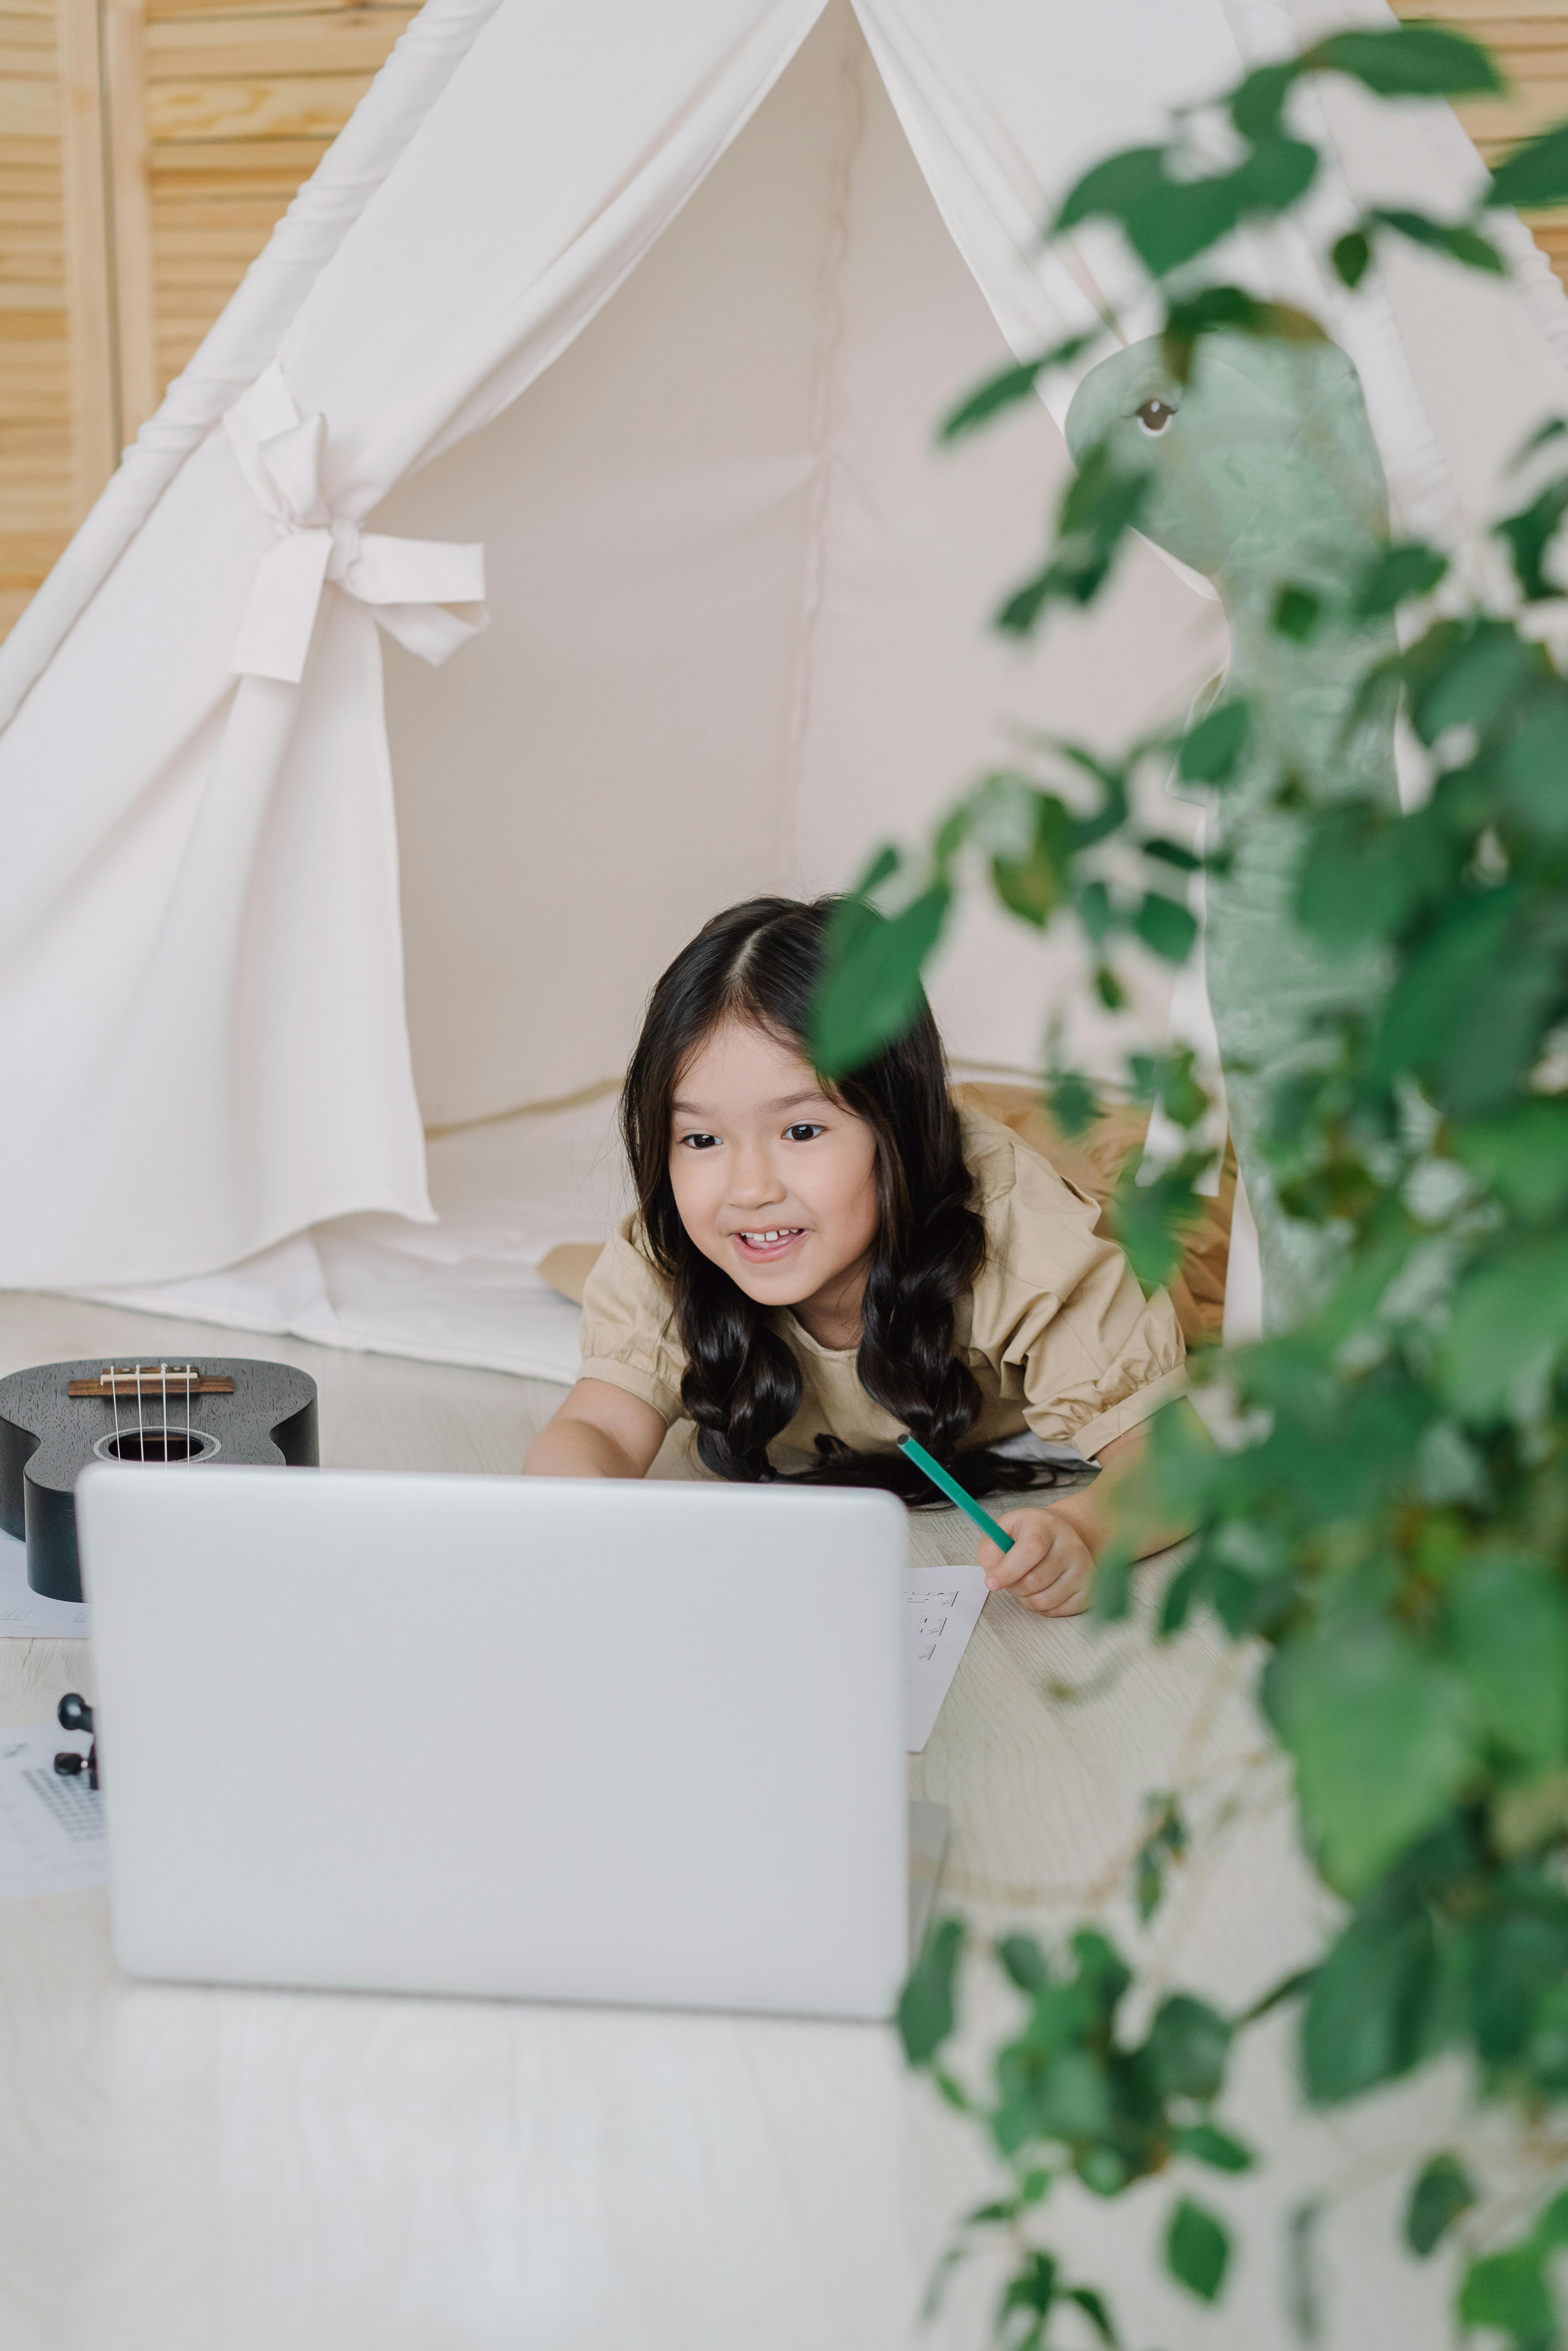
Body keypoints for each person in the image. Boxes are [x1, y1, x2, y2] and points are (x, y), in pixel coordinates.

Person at [525, 897, 1190, 1615]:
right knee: (577, 1273)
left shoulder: (1014, 1234)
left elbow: (1178, 1457)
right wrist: (576, 1524)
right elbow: (594, 1427)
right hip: (787, 1247)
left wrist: (1083, 1534)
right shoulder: (672, 1248)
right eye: (701, 1139)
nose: (749, 1189)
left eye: (803, 1130)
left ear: (896, 1131)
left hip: (1024, 1188)